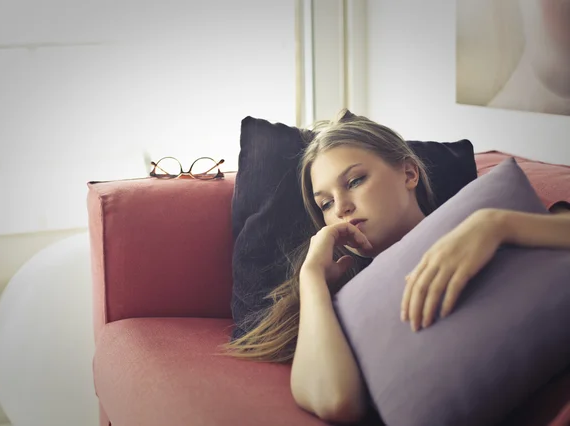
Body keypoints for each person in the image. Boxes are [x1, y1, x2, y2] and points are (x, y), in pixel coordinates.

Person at [221, 109, 570, 424]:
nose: (341, 207)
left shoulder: (477, 221)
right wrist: (311, 279)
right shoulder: (347, 297)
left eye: (355, 181)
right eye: (325, 203)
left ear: (408, 173)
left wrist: (495, 225)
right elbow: (335, 400)